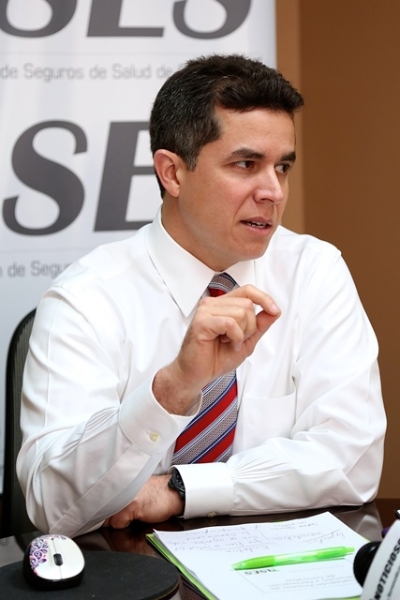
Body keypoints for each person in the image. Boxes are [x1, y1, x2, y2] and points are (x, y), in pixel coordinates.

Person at [17, 54, 386, 538]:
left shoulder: (314, 271)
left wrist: (182, 489)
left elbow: (353, 460)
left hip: (279, 563)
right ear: (172, 173)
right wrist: (171, 390)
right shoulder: (87, 298)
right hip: (132, 568)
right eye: (246, 164)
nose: (274, 191)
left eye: (282, 167)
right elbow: (52, 506)